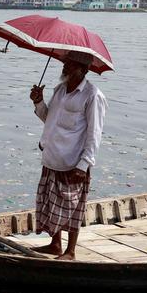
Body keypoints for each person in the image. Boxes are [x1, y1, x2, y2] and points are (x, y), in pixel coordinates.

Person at [28, 53, 107, 260]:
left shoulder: (92, 95)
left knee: (72, 206)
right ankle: (55, 244)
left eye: (71, 65)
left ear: (84, 70)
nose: (66, 68)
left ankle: (70, 251)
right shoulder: (60, 90)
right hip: (52, 156)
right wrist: (38, 102)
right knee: (50, 202)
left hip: (73, 162)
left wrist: (84, 165)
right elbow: (50, 119)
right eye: (65, 64)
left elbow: (94, 134)